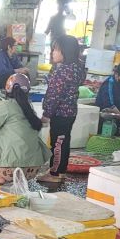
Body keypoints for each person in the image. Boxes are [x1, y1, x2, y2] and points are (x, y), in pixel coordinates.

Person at [0, 73, 50, 184]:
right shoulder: (29, 107)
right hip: (32, 170)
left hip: (10, 170)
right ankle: (7, 176)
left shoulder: (6, 106)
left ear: (7, 89)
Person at [43, 35, 85, 176]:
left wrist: (47, 114)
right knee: (63, 141)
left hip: (60, 113)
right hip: (70, 113)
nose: (52, 53)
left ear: (65, 52)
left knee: (58, 143)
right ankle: (59, 171)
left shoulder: (63, 71)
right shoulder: (76, 68)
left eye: (56, 50)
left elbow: (54, 95)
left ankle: (55, 173)